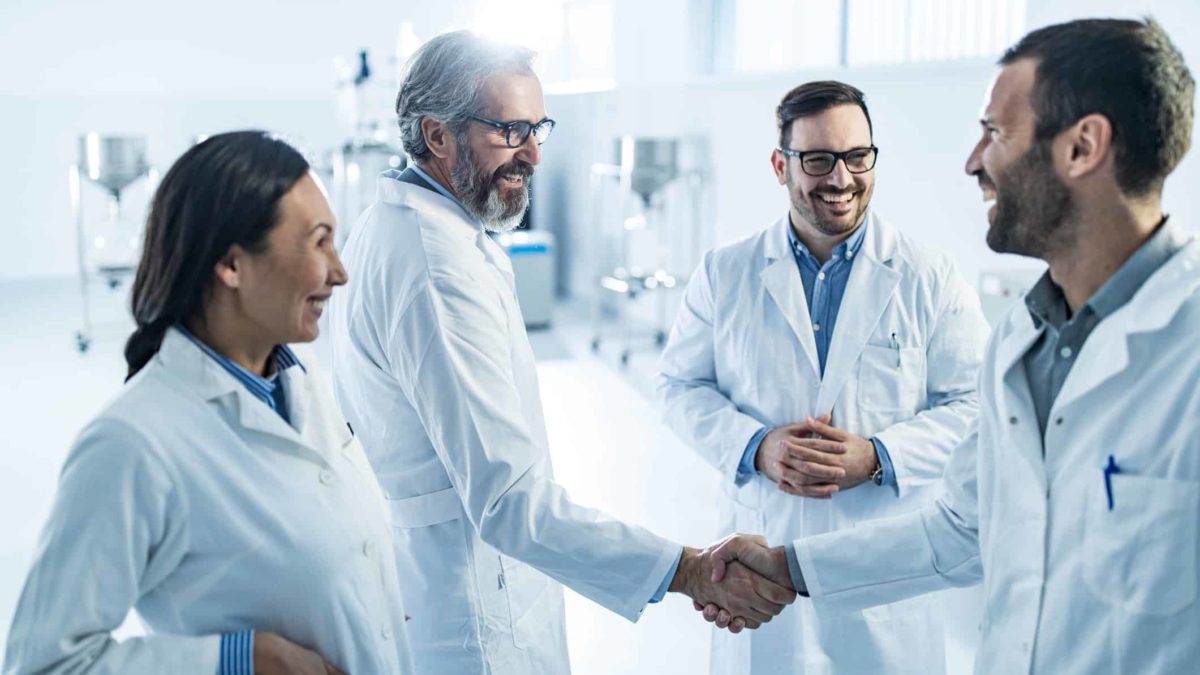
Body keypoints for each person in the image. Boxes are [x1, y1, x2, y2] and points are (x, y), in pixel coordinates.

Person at [705, 17, 1200, 675]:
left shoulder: (1186, 351)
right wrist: (789, 566)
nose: (973, 161)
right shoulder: (1025, 344)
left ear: (1082, 147)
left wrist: (879, 456)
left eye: (995, 132)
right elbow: (958, 531)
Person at [328, 30, 793, 674]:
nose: (534, 155)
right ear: (437, 136)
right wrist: (688, 571)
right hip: (471, 612)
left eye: (537, 127)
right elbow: (511, 502)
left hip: (442, 581)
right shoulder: (435, 269)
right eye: (510, 130)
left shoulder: (415, 226)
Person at [2, 131, 413, 675]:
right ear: (232, 265)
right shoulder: (131, 443)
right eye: (318, 242)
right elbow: (45, 662)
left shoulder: (297, 382)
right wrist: (238, 660)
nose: (339, 272)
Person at [656, 80, 989, 674]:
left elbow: (977, 405)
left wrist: (881, 454)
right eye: (817, 160)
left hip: (882, 561)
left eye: (857, 157)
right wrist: (757, 447)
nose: (841, 179)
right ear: (780, 165)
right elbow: (678, 387)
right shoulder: (725, 272)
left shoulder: (929, 276)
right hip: (760, 552)